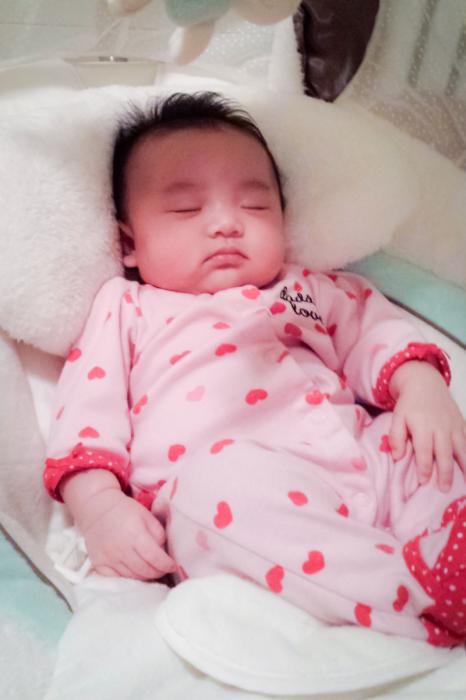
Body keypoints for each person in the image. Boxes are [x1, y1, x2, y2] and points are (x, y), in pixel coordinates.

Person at [44, 91, 466, 647]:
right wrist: (98, 508)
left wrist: (421, 388)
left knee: (427, 446)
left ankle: (442, 547)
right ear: (129, 242)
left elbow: (366, 328)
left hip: (363, 460)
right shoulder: (130, 310)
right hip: (239, 496)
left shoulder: (297, 291)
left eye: (255, 206)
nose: (226, 224)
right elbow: (85, 416)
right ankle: (418, 598)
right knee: (217, 488)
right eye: (187, 209)